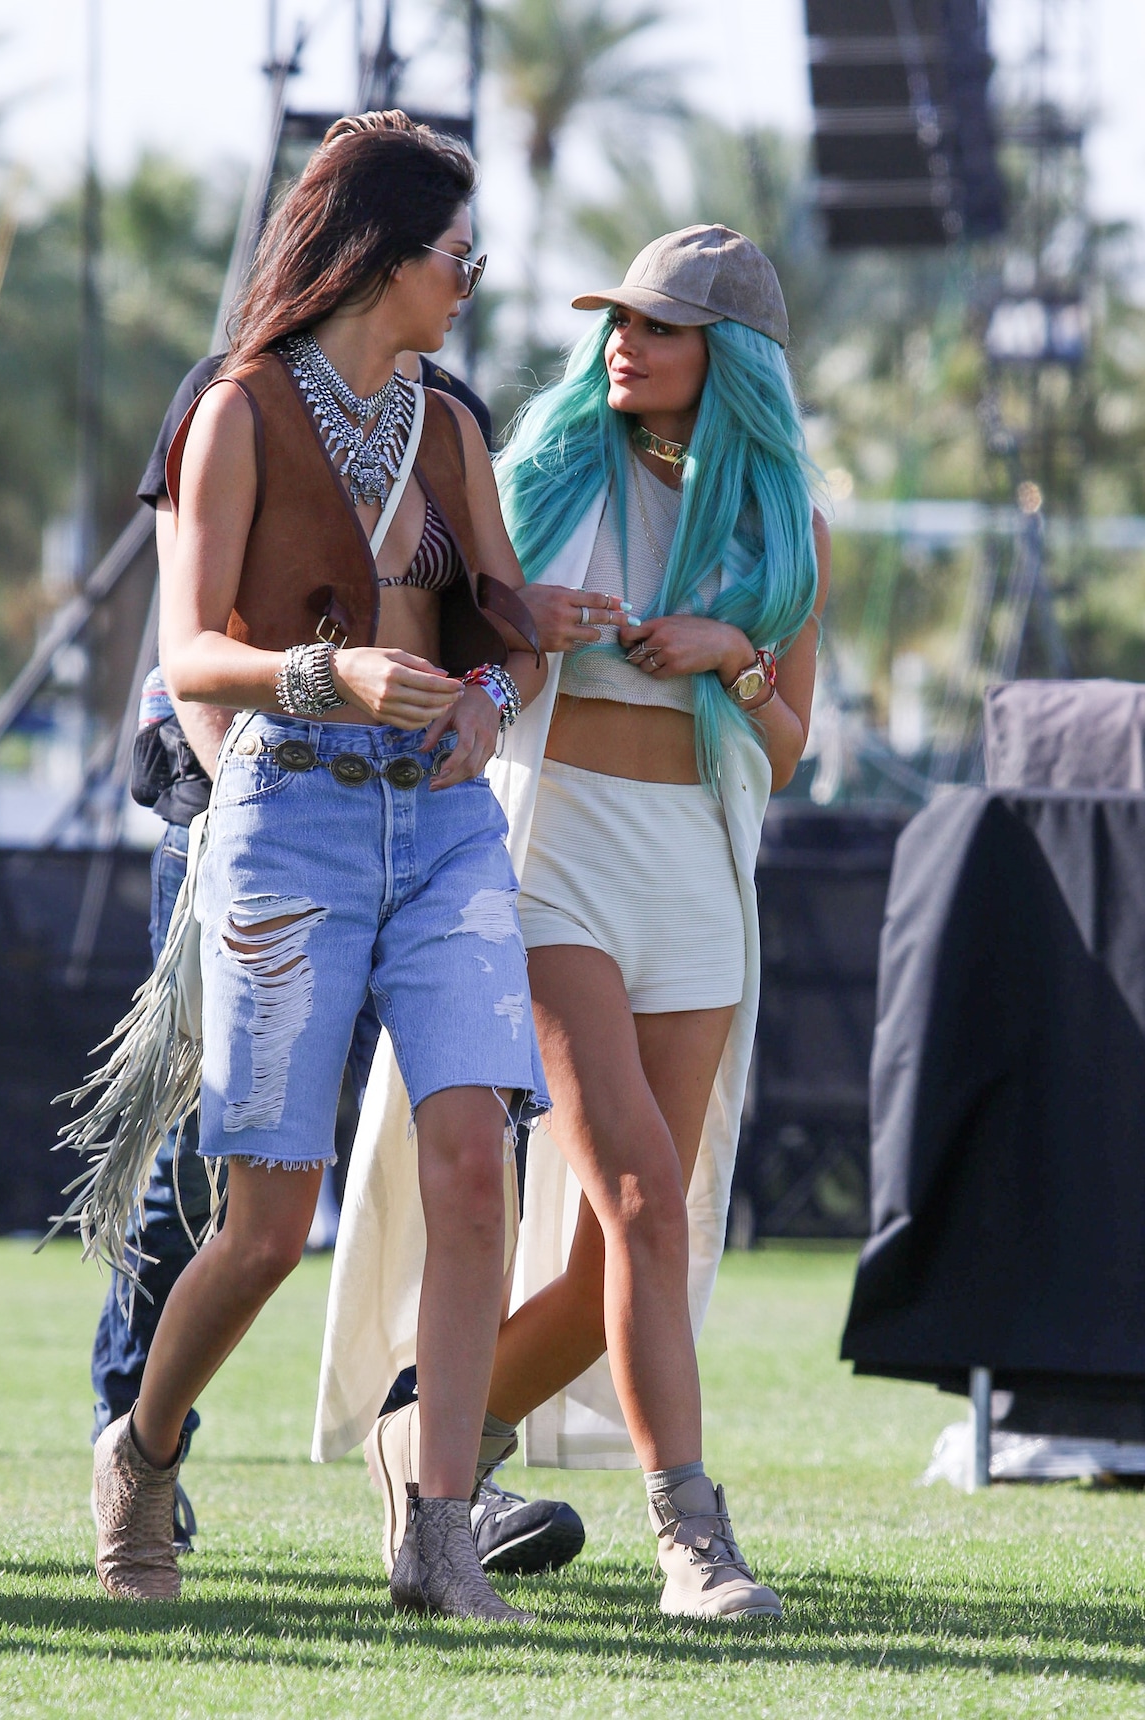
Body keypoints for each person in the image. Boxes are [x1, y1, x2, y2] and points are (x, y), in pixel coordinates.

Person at [319, 224, 828, 1623]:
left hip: (698, 876)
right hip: (555, 859)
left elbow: (788, 754)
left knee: (624, 1235)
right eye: (619, 319)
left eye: (659, 328)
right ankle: (693, 1538)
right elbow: (432, 632)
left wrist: (735, 657)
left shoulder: (784, 530)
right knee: (649, 1195)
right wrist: (525, 623)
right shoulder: (536, 471)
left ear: (727, 363)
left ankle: (431, 1439)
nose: (624, 342)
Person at [90, 115, 553, 1624]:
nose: (471, 277)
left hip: (445, 833)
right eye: (452, 253)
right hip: (286, 812)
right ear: (378, 256)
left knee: (476, 1159)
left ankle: (434, 1529)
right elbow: (188, 652)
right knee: (266, 1228)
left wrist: (494, 692)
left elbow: (495, 633)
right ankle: (143, 1453)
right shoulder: (234, 409)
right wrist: (334, 679)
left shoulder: (455, 421)